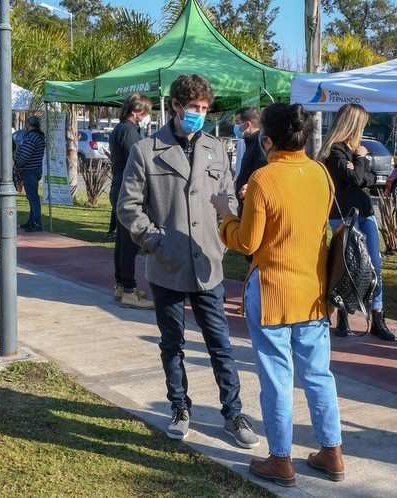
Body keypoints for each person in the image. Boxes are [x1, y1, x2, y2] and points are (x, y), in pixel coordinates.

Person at [118, 74, 259, 448]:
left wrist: (227, 228)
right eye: (194, 108)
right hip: (167, 263)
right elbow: (128, 206)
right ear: (177, 106)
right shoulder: (147, 150)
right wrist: (151, 239)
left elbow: (227, 198)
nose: (199, 114)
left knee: (221, 344)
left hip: (209, 263)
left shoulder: (215, 149)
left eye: (204, 109)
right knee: (172, 343)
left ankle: (233, 413)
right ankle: (179, 407)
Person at [215, 102, 344, 486]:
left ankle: (280, 458)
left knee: (276, 376)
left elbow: (247, 240)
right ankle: (332, 451)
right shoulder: (321, 173)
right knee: (319, 374)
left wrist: (226, 214)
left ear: (268, 139)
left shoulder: (263, 179)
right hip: (313, 291)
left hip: (271, 289)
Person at [320, 103, 395, 341]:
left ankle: (377, 315)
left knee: (374, 264)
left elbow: (368, 179)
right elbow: (355, 178)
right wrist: (362, 162)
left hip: (364, 211)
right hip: (342, 215)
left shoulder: (354, 151)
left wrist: (362, 171)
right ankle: (343, 315)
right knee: (349, 265)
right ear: (352, 124)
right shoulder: (336, 151)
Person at [109, 93, 154, 309]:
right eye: (147, 113)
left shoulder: (123, 129)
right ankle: (128, 288)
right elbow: (137, 160)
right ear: (137, 112)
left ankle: (122, 284)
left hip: (120, 188)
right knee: (129, 242)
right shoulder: (128, 131)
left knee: (122, 241)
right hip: (127, 191)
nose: (148, 117)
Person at [14, 115, 45, 232]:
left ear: (29, 124)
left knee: (33, 198)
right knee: (32, 197)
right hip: (34, 169)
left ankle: (36, 222)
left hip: (30, 170)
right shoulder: (39, 136)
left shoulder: (32, 137)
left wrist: (18, 164)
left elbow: (25, 154)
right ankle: (32, 221)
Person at [232, 107, 260, 179]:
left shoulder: (261, 146)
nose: (235, 126)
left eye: (237, 122)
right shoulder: (248, 141)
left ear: (247, 125)